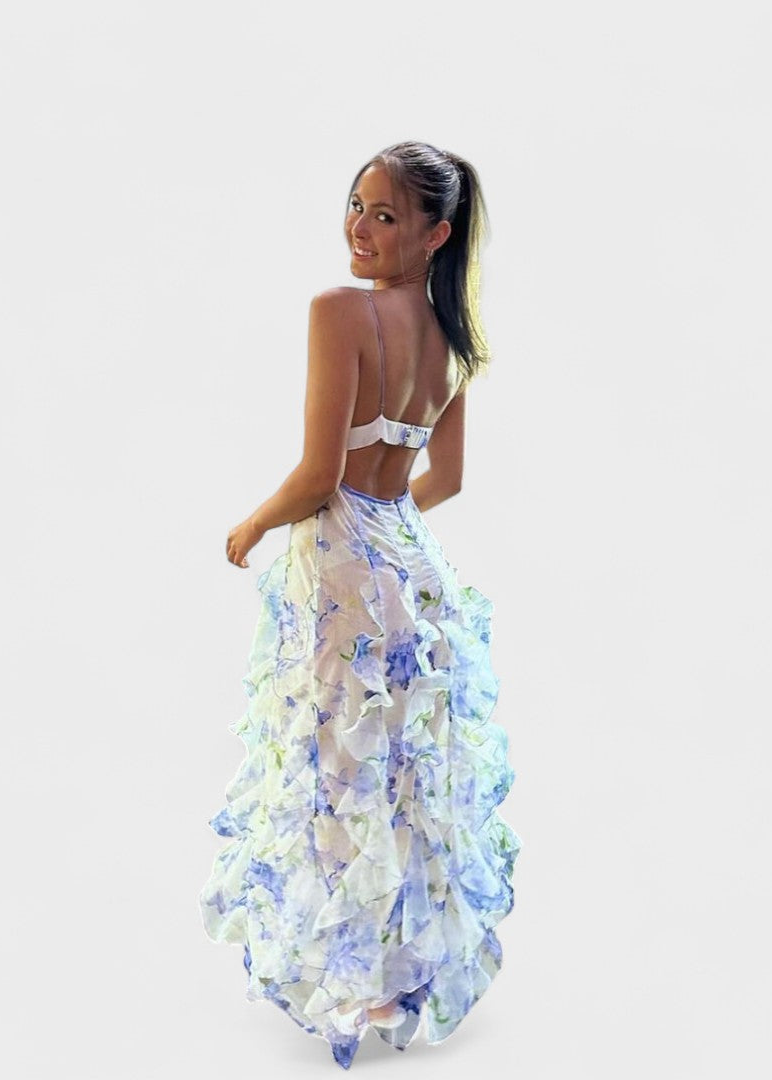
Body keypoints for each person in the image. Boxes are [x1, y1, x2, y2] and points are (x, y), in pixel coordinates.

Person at [198, 141, 522, 1069]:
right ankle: (398, 970)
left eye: (385, 215)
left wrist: (254, 524)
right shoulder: (455, 341)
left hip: (342, 568)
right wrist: (386, 537)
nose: (360, 228)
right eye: (356, 205)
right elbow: (444, 481)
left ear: (435, 235)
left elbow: (318, 473)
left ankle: (360, 986)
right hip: (413, 571)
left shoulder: (339, 311)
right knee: (402, 772)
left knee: (337, 767)